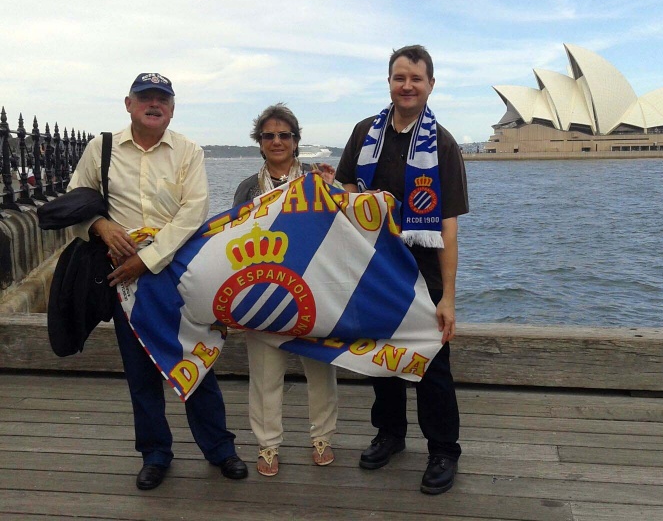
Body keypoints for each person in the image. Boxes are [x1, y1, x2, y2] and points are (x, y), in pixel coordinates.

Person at [67, 73, 248, 490]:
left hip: (177, 274)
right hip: (122, 280)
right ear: (128, 104)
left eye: (161, 99)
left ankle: (220, 448)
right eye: (145, 97)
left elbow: (193, 212)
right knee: (140, 371)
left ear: (171, 107)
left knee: (196, 361)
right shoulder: (101, 149)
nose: (154, 104)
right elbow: (75, 199)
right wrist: (101, 225)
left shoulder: (187, 151)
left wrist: (146, 260)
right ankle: (155, 454)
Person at [335, 45, 469, 495]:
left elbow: (447, 228)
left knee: (432, 365)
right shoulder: (363, 133)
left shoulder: (444, 145)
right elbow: (346, 194)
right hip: (373, 269)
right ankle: (390, 434)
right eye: (399, 77)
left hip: (423, 275)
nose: (406, 85)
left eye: (415, 78)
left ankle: (443, 449)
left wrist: (448, 297)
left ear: (431, 84)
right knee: (382, 360)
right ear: (389, 82)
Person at [233, 102, 339, 478]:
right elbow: (230, 243)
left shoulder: (319, 178)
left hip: (314, 291)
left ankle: (323, 437)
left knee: (320, 370)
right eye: (269, 135)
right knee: (264, 374)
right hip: (262, 293)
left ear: (296, 141)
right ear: (259, 143)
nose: (277, 141)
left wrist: (333, 190)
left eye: (284, 135)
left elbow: (344, 226)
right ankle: (267, 445)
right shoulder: (247, 188)